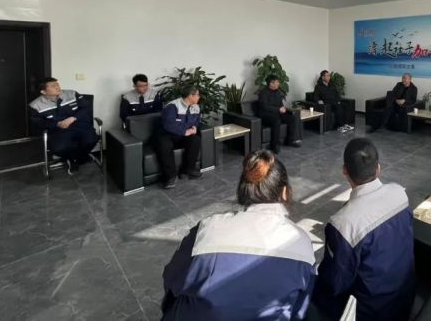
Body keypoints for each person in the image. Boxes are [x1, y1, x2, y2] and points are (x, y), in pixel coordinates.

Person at [161, 150, 315, 321]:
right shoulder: (301, 242)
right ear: (284, 192)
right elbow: (300, 307)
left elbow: (171, 279)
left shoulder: (207, 229)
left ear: (243, 190)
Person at [312, 138, 415, 321]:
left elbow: (334, 284)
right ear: (378, 168)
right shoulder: (400, 193)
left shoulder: (343, 224)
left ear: (345, 170)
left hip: (370, 313)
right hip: (405, 298)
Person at [28, 77, 99, 171]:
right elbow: (38, 122)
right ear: (43, 91)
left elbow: (86, 108)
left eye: (57, 84)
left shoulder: (72, 94)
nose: (57, 87)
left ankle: (76, 158)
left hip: (79, 125)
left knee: (92, 140)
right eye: (53, 86)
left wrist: (73, 118)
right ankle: (75, 158)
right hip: (58, 130)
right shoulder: (35, 105)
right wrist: (56, 124)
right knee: (59, 148)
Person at [156, 85, 203, 189]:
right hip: (167, 135)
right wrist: (184, 132)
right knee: (164, 145)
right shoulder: (172, 106)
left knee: (195, 139)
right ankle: (170, 177)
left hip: (182, 135)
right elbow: (168, 125)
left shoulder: (196, 107)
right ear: (190, 96)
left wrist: (194, 127)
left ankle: (188, 170)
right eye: (197, 95)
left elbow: (196, 120)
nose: (199, 97)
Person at [257, 74, 301, 153]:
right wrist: (278, 109)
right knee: (276, 120)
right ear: (271, 83)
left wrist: (283, 108)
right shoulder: (263, 93)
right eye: (277, 82)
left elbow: (280, 104)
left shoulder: (277, 92)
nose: (278, 83)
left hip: (277, 113)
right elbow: (265, 107)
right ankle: (274, 145)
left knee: (291, 118)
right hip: (265, 115)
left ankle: (290, 141)